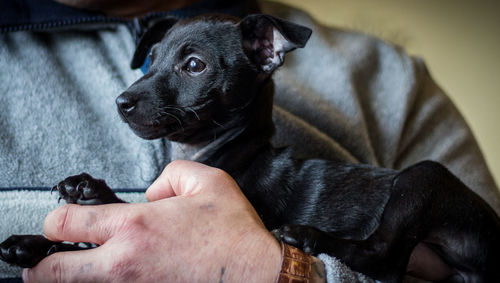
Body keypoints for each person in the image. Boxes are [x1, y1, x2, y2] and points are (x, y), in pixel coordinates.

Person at [1, 0, 498, 282]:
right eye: (154, 62)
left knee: (427, 180)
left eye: (193, 66)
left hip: (453, 243)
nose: (130, 96)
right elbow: (149, 239)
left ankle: (377, 251)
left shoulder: (389, 78)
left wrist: (286, 272)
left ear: (266, 53)